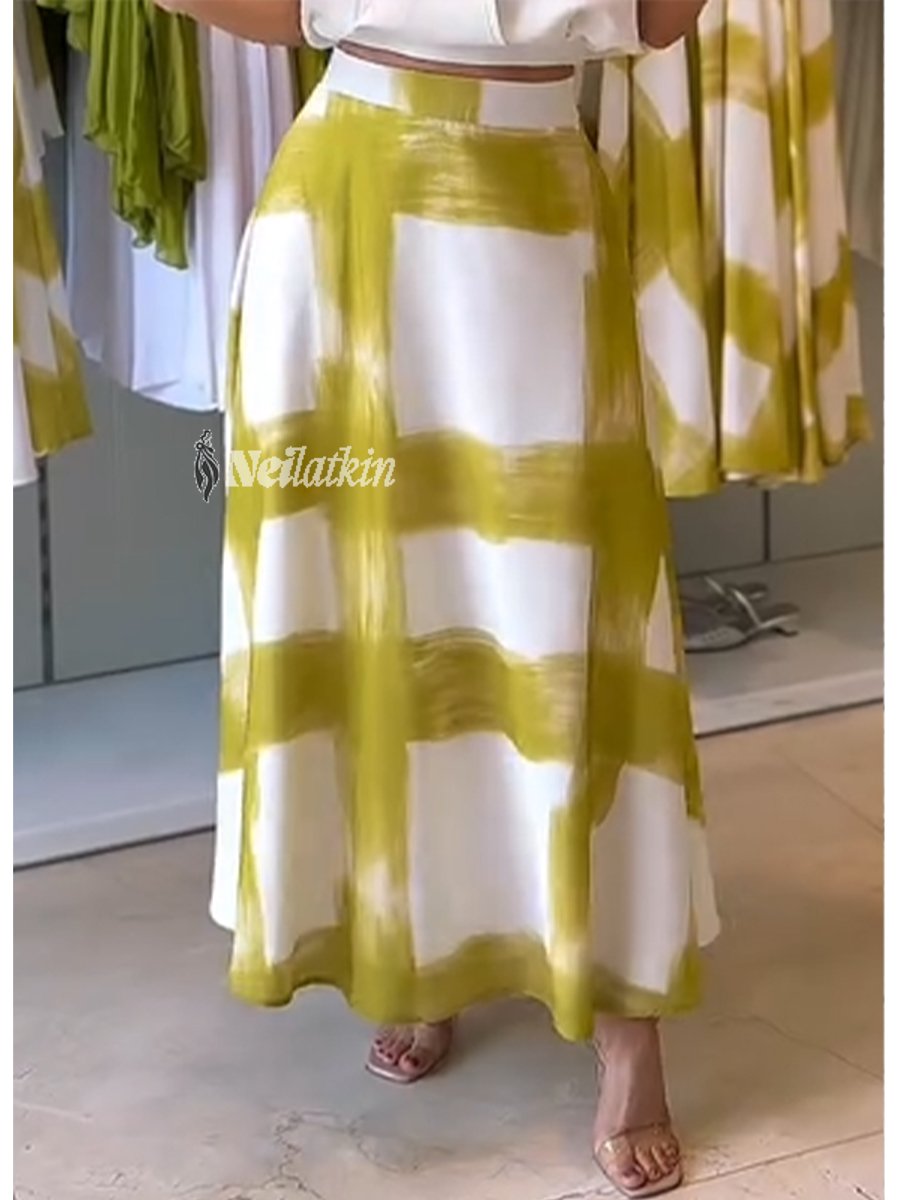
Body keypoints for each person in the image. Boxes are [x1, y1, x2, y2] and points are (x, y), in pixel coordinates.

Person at [153, 3, 718, 1195]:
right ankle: (417, 945)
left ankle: (628, 1022)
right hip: (347, 200)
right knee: (378, 611)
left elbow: (661, 20)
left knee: (570, 609)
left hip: (534, 204)